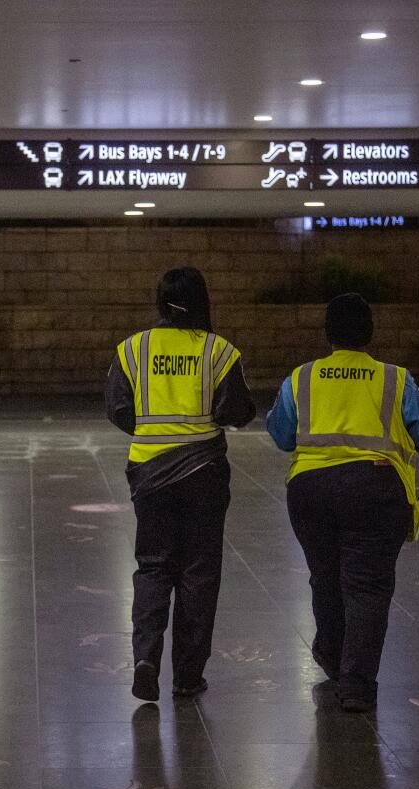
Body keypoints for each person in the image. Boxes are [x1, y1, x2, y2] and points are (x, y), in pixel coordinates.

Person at [265, 293, 419, 712]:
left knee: (325, 576)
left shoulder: (302, 378)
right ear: (370, 333)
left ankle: (330, 652)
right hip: (377, 490)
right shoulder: (395, 379)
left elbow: (281, 433)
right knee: (369, 586)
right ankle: (356, 683)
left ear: (327, 333)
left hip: (311, 491)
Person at [106, 267, 255, 702]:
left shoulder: (132, 348)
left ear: (160, 302)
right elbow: (237, 410)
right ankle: (188, 675)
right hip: (204, 471)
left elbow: (118, 408)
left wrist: (153, 431)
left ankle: (145, 659)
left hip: (149, 472)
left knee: (152, 567)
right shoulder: (219, 351)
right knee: (199, 572)